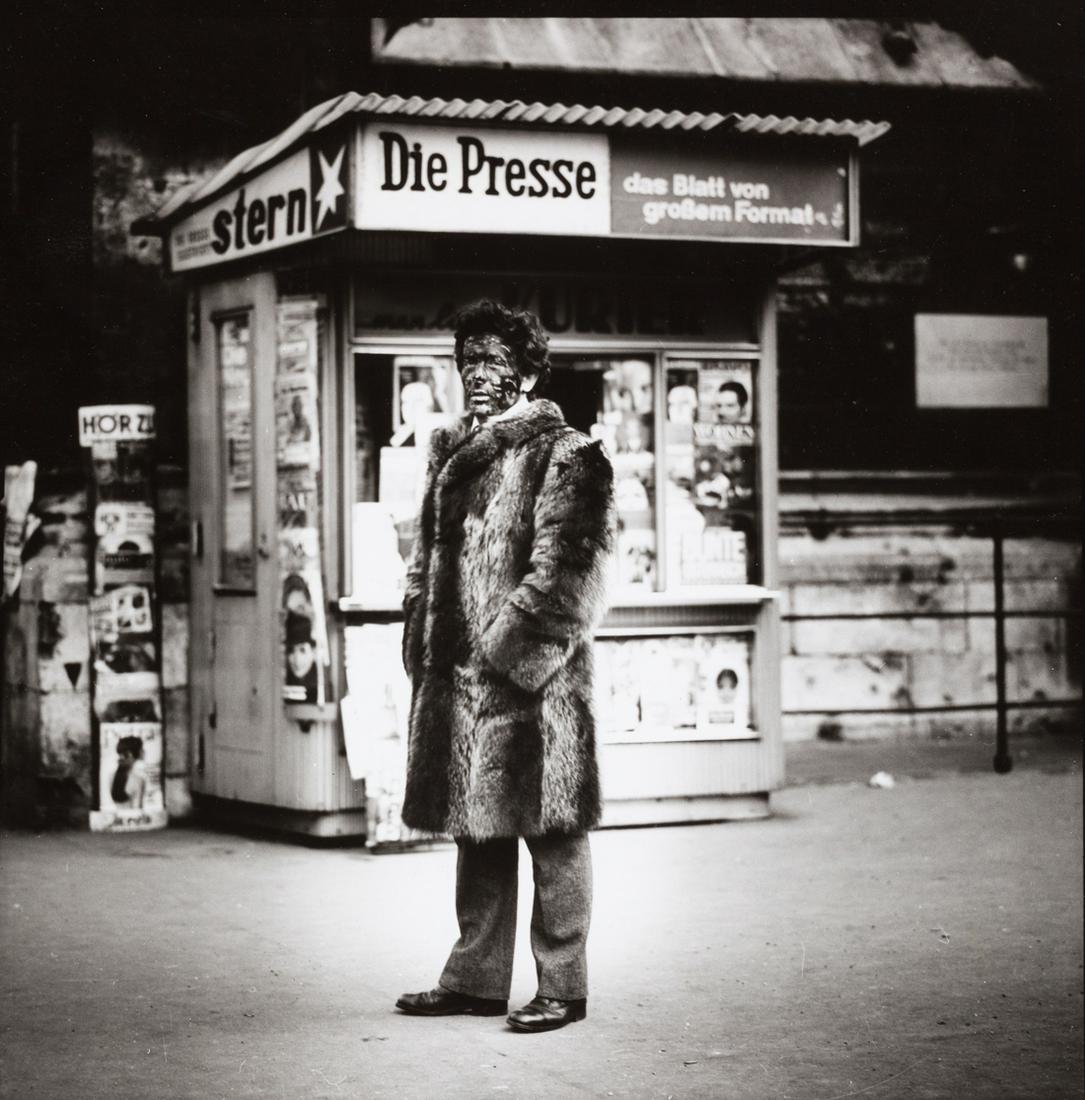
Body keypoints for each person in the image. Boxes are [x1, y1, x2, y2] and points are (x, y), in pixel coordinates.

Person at [396, 299, 615, 1034]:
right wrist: (420, 642)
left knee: (552, 835)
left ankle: (563, 985)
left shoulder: (567, 451)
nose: (477, 378)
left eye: (492, 364)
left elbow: (568, 576)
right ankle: (474, 979)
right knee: (477, 830)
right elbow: (427, 563)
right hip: (458, 682)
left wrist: (507, 653)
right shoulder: (450, 449)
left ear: (525, 370)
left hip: (530, 686)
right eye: (467, 364)